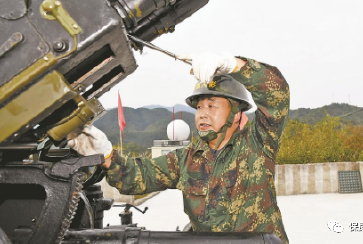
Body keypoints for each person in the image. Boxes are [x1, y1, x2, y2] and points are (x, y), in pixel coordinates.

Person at [68, 52, 290, 243]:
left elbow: (276, 93)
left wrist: (234, 64)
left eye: (212, 105)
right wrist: (105, 154)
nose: (202, 113)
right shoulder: (186, 160)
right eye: (199, 106)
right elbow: (138, 175)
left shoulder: (258, 144)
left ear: (236, 114)